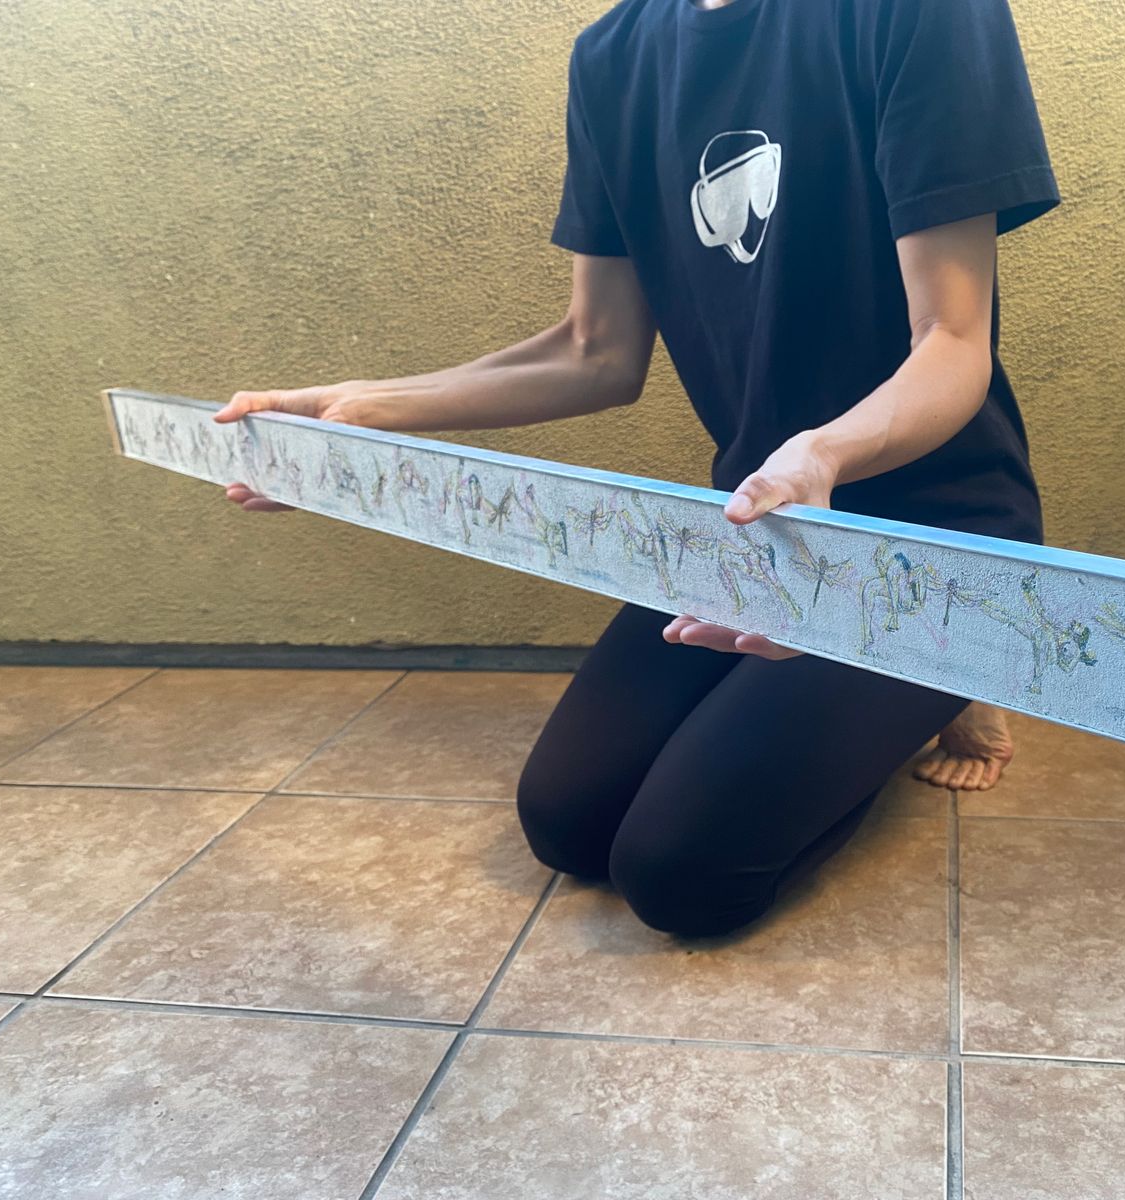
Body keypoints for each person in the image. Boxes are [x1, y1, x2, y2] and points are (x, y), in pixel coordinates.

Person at [216, 0, 1059, 937]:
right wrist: (359, 408)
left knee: (681, 877)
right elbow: (595, 351)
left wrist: (823, 453)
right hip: (755, 520)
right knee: (567, 823)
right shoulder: (613, 58)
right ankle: (880, 695)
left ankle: (952, 675)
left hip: (934, 536)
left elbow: (950, 343)